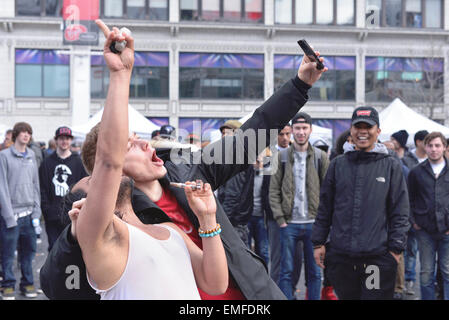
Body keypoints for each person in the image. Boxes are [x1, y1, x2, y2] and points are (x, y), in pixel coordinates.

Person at [39, 19, 328, 300]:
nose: (142, 142)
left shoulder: (188, 171)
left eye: (138, 138)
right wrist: (73, 236)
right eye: (129, 145)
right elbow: (56, 284)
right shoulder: (119, 219)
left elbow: (247, 140)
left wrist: (300, 85)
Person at [70, 28, 227, 299]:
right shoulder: (102, 233)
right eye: (129, 143)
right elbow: (109, 161)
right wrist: (121, 75)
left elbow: (215, 284)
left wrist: (208, 219)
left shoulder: (170, 229)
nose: (146, 144)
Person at [312, 106, 410, 300]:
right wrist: (318, 243)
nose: (362, 131)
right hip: (342, 257)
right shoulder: (338, 165)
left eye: (368, 127)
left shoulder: (390, 166)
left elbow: (400, 210)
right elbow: (325, 207)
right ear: (351, 130)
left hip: (377, 257)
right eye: (358, 127)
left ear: (378, 131)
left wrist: (395, 250)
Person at [269, 112, 330, 300]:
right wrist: (280, 219)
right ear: (292, 130)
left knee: (314, 273)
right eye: (297, 128)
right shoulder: (281, 157)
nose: (301, 132)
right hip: (289, 223)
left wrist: (324, 222)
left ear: (310, 130)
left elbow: (328, 193)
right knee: (286, 271)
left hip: (314, 224)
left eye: (304, 128)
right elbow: (273, 191)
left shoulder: (320, 157)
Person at [0, 122, 41, 299]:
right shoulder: (4, 156)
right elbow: (2, 188)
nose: (26, 135)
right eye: (23, 132)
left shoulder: (32, 155)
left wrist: (37, 213)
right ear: (16, 134)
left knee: (28, 253)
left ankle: (27, 283)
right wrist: (9, 216)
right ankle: (7, 284)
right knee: (8, 254)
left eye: (29, 133)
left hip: (29, 215)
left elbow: (35, 185)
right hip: (12, 216)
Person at [408, 132, 449, 300]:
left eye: (437, 145)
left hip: (447, 230)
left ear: (445, 148)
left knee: (447, 272)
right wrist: (414, 222)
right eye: (430, 145)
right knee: (426, 273)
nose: (434, 149)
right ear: (424, 147)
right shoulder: (416, 172)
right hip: (424, 230)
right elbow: (408, 199)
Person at [38, 126, 88, 251]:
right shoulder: (47, 163)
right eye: (61, 138)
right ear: (56, 140)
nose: (64, 141)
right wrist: (47, 210)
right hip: (52, 216)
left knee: (72, 250)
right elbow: (42, 188)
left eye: (67, 138)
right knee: (54, 250)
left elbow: (85, 187)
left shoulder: (78, 162)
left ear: (71, 140)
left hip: (73, 215)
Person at [217, 119, 253, 247]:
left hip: (233, 223)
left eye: (229, 133)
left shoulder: (237, 158)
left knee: (236, 262)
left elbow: (232, 194)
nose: (224, 136)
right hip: (235, 221)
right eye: (223, 133)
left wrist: (221, 221)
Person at [402, 130, 428, 296]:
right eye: (427, 142)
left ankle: (429, 286)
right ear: (418, 142)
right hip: (412, 213)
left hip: (430, 216)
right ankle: (408, 281)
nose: (430, 147)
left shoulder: (436, 160)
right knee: (410, 250)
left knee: (427, 257)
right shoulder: (406, 160)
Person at [265, 124, 291, 285]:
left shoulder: (297, 155)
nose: (285, 137)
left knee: (293, 259)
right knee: (276, 259)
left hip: (295, 217)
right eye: (282, 134)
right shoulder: (270, 156)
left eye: (288, 134)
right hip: (274, 216)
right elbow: (266, 189)